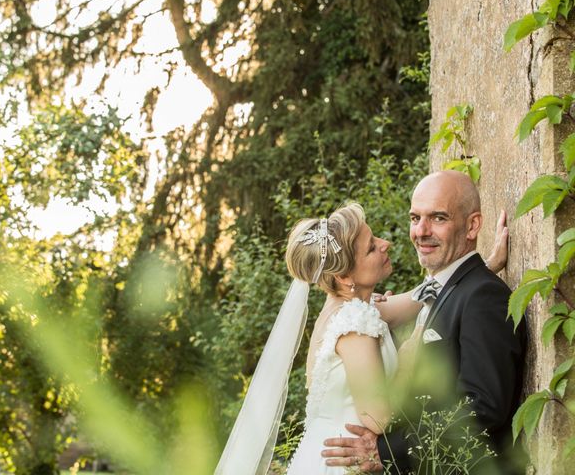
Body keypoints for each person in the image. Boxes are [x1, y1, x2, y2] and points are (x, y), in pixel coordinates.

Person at [215, 186, 508, 475]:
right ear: (344, 276)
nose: (385, 244)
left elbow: (422, 296)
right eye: (370, 247)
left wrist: (483, 266)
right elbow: (377, 418)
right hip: (343, 462)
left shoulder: (350, 310)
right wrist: (407, 361)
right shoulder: (354, 324)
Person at [321, 171, 526, 474]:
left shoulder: (484, 296)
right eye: (415, 218)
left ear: (472, 226)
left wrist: (388, 452)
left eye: (438, 218)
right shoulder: (443, 290)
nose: (421, 231)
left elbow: (482, 409)